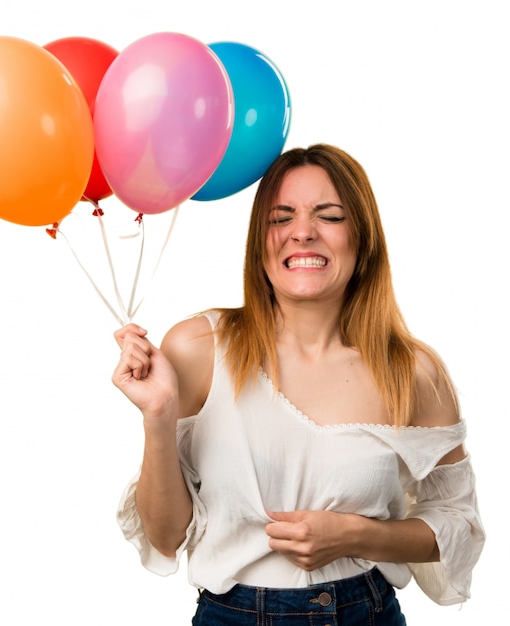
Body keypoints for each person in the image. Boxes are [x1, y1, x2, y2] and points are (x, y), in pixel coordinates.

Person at [112, 143, 485, 624]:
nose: (302, 233)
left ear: (362, 238)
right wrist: (158, 415)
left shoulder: (412, 372)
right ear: (260, 240)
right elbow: (165, 538)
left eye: (328, 216)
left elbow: (459, 524)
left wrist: (355, 535)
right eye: (281, 218)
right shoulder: (198, 348)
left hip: (364, 613)